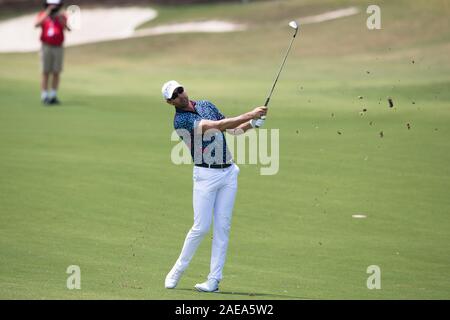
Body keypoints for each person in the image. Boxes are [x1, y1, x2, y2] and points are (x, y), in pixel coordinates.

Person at [162, 80, 267, 292]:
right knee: (201, 227)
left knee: (223, 228)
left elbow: (232, 130)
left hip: (228, 172)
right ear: (170, 102)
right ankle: (177, 271)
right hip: (205, 175)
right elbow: (216, 126)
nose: (180, 95)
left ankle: (213, 280)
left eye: (180, 90)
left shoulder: (206, 105)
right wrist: (250, 114)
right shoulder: (181, 120)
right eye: (175, 95)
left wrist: (253, 124)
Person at [35, 0, 70, 105]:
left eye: (55, 5)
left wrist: (59, 18)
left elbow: (67, 28)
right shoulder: (43, 14)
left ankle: (53, 95)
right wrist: (47, 13)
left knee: (56, 71)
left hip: (58, 47)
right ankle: (44, 96)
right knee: (45, 71)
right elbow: (36, 24)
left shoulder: (62, 15)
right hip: (46, 46)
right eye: (51, 5)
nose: (53, 7)